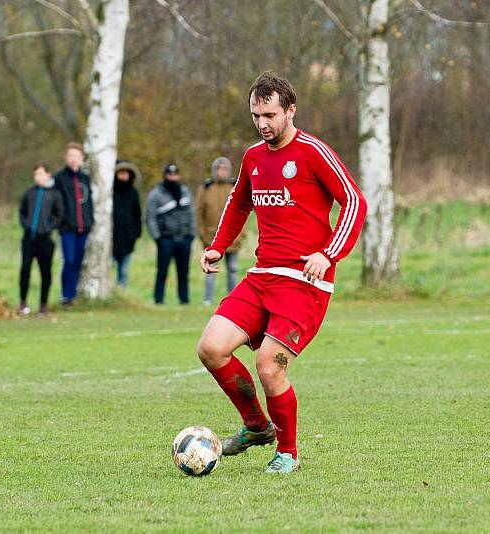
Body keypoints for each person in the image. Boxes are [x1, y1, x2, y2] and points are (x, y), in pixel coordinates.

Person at [196, 72, 367, 474]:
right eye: (256, 115)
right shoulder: (254, 157)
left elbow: (354, 203)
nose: (262, 123)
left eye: (270, 114)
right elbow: (239, 204)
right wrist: (219, 245)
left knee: (269, 363)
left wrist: (329, 253)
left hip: (305, 282)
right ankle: (256, 426)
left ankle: (287, 452)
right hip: (262, 275)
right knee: (211, 347)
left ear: (290, 110)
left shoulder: (313, 152)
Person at [145, 163, 197, 305]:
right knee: (162, 272)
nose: (172, 177)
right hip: (166, 239)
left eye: (175, 174)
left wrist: (191, 234)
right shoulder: (156, 194)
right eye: (170, 174)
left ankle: (184, 300)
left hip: (184, 238)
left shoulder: (185, 191)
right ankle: (159, 300)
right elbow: (150, 217)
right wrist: (157, 237)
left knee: (183, 272)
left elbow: (192, 214)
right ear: (165, 176)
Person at [196, 156, 243, 305]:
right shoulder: (206, 188)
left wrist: (241, 234)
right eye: (219, 169)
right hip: (211, 238)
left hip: (234, 239)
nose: (222, 172)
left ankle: (232, 299)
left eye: (224, 169)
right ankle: (208, 299)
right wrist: (202, 233)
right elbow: (199, 212)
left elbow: (243, 210)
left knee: (233, 270)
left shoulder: (234, 186)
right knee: (211, 271)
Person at [18, 163, 64, 316]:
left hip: (45, 240)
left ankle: (43, 305)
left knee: (45, 273)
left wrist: (48, 227)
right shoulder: (29, 193)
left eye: (40, 173)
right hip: (28, 239)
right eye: (36, 174)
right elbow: (22, 211)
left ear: (48, 174)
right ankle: (23, 303)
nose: (38, 177)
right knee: (25, 270)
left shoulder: (54, 194)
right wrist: (26, 225)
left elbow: (59, 215)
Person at [53, 142, 93, 305]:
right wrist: (59, 222)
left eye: (76, 156)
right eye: (70, 155)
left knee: (77, 261)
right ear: (66, 158)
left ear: (82, 158)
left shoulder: (86, 179)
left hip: (84, 228)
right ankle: (66, 295)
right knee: (68, 260)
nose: (73, 159)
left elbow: (89, 202)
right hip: (67, 228)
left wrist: (90, 220)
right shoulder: (59, 178)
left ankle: (73, 295)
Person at [112, 160, 142, 289]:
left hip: (127, 239)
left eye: (126, 173)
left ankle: (122, 291)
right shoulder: (110, 192)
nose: (123, 176)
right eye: (121, 173)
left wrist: (135, 234)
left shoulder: (133, 193)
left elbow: (137, 215)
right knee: (108, 268)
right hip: (111, 238)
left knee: (124, 270)